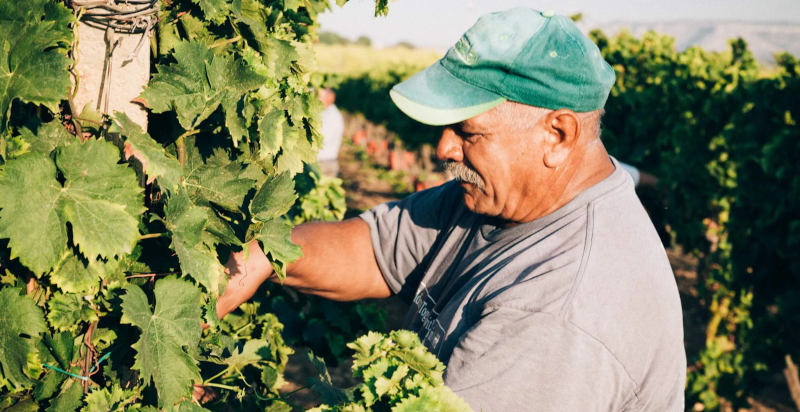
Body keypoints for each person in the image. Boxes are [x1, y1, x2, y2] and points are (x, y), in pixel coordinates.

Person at [216, 8, 686, 411]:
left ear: (557, 136)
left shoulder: (560, 316)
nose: (444, 148)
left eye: (468, 131)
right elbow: (374, 248)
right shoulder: (494, 200)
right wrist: (261, 256)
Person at [316, 87, 344, 176]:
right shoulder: (325, 112)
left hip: (325, 164)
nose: (316, 98)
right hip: (322, 162)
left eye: (320, 96)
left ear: (330, 98)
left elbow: (321, 139)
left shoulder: (333, 116)